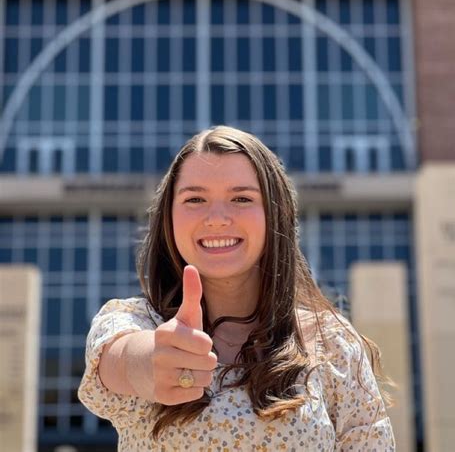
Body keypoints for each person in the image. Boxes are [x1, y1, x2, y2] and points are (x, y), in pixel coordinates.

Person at [78, 126, 395, 451]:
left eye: (241, 198)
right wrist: (152, 362)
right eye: (195, 199)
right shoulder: (133, 321)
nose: (216, 218)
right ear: (168, 218)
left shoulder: (334, 342)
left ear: (276, 215)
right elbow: (120, 361)